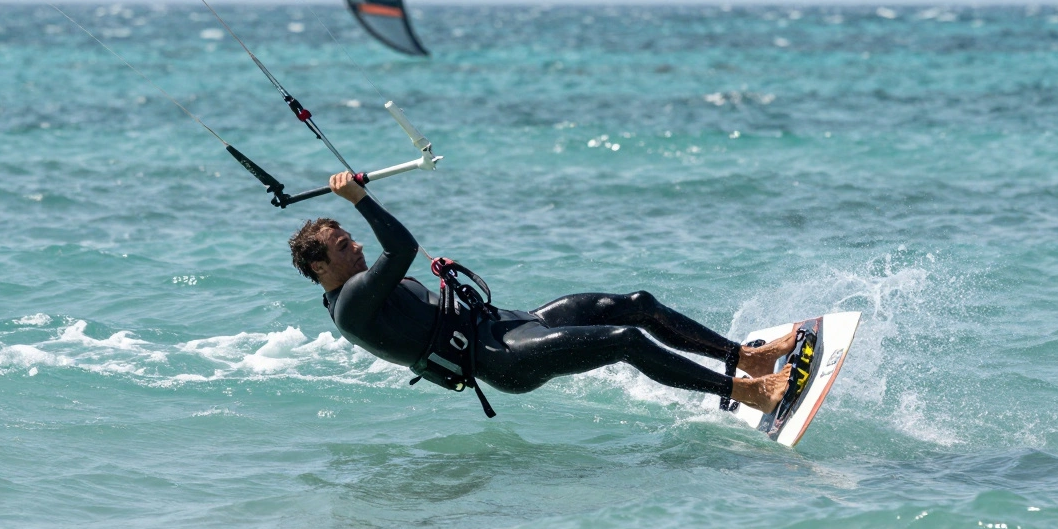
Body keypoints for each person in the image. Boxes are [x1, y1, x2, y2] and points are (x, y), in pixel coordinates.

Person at [290, 172, 797, 414]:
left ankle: (745, 359)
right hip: (502, 360)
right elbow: (400, 248)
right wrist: (358, 199)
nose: (354, 246)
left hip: (512, 323)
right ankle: (745, 393)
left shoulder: (359, 287)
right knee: (624, 340)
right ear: (319, 266)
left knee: (636, 305)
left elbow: (401, 257)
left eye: (350, 238)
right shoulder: (350, 307)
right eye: (341, 245)